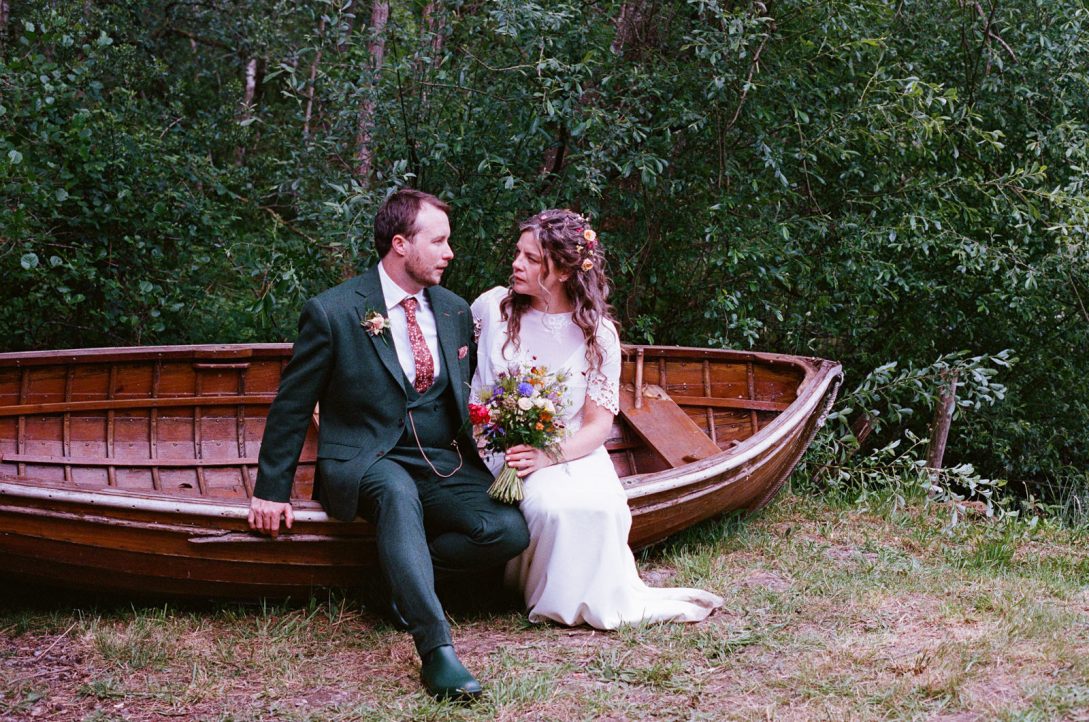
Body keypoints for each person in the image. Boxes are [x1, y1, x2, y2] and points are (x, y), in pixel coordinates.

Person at [248, 188, 529, 701]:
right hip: (365, 457)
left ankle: (392, 581)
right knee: (397, 496)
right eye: (439, 241)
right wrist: (271, 490)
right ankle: (437, 651)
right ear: (400, 244)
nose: (450, 253)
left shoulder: (452, 309)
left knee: (506, 529)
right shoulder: (333, 311)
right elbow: (292, 405)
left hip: (441, 459)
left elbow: (463, 393)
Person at [470, 209, 723, 629]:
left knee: (603, 507)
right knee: (551, 509)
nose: (517, 264)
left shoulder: (598, 334)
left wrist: (548, 456)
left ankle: (593, 596)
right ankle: (541, 594)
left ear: (566, 269)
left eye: (532, 259)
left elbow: (598, 426)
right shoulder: (491, 311)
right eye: (518, 253)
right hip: (501, 448)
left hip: (571, 448)